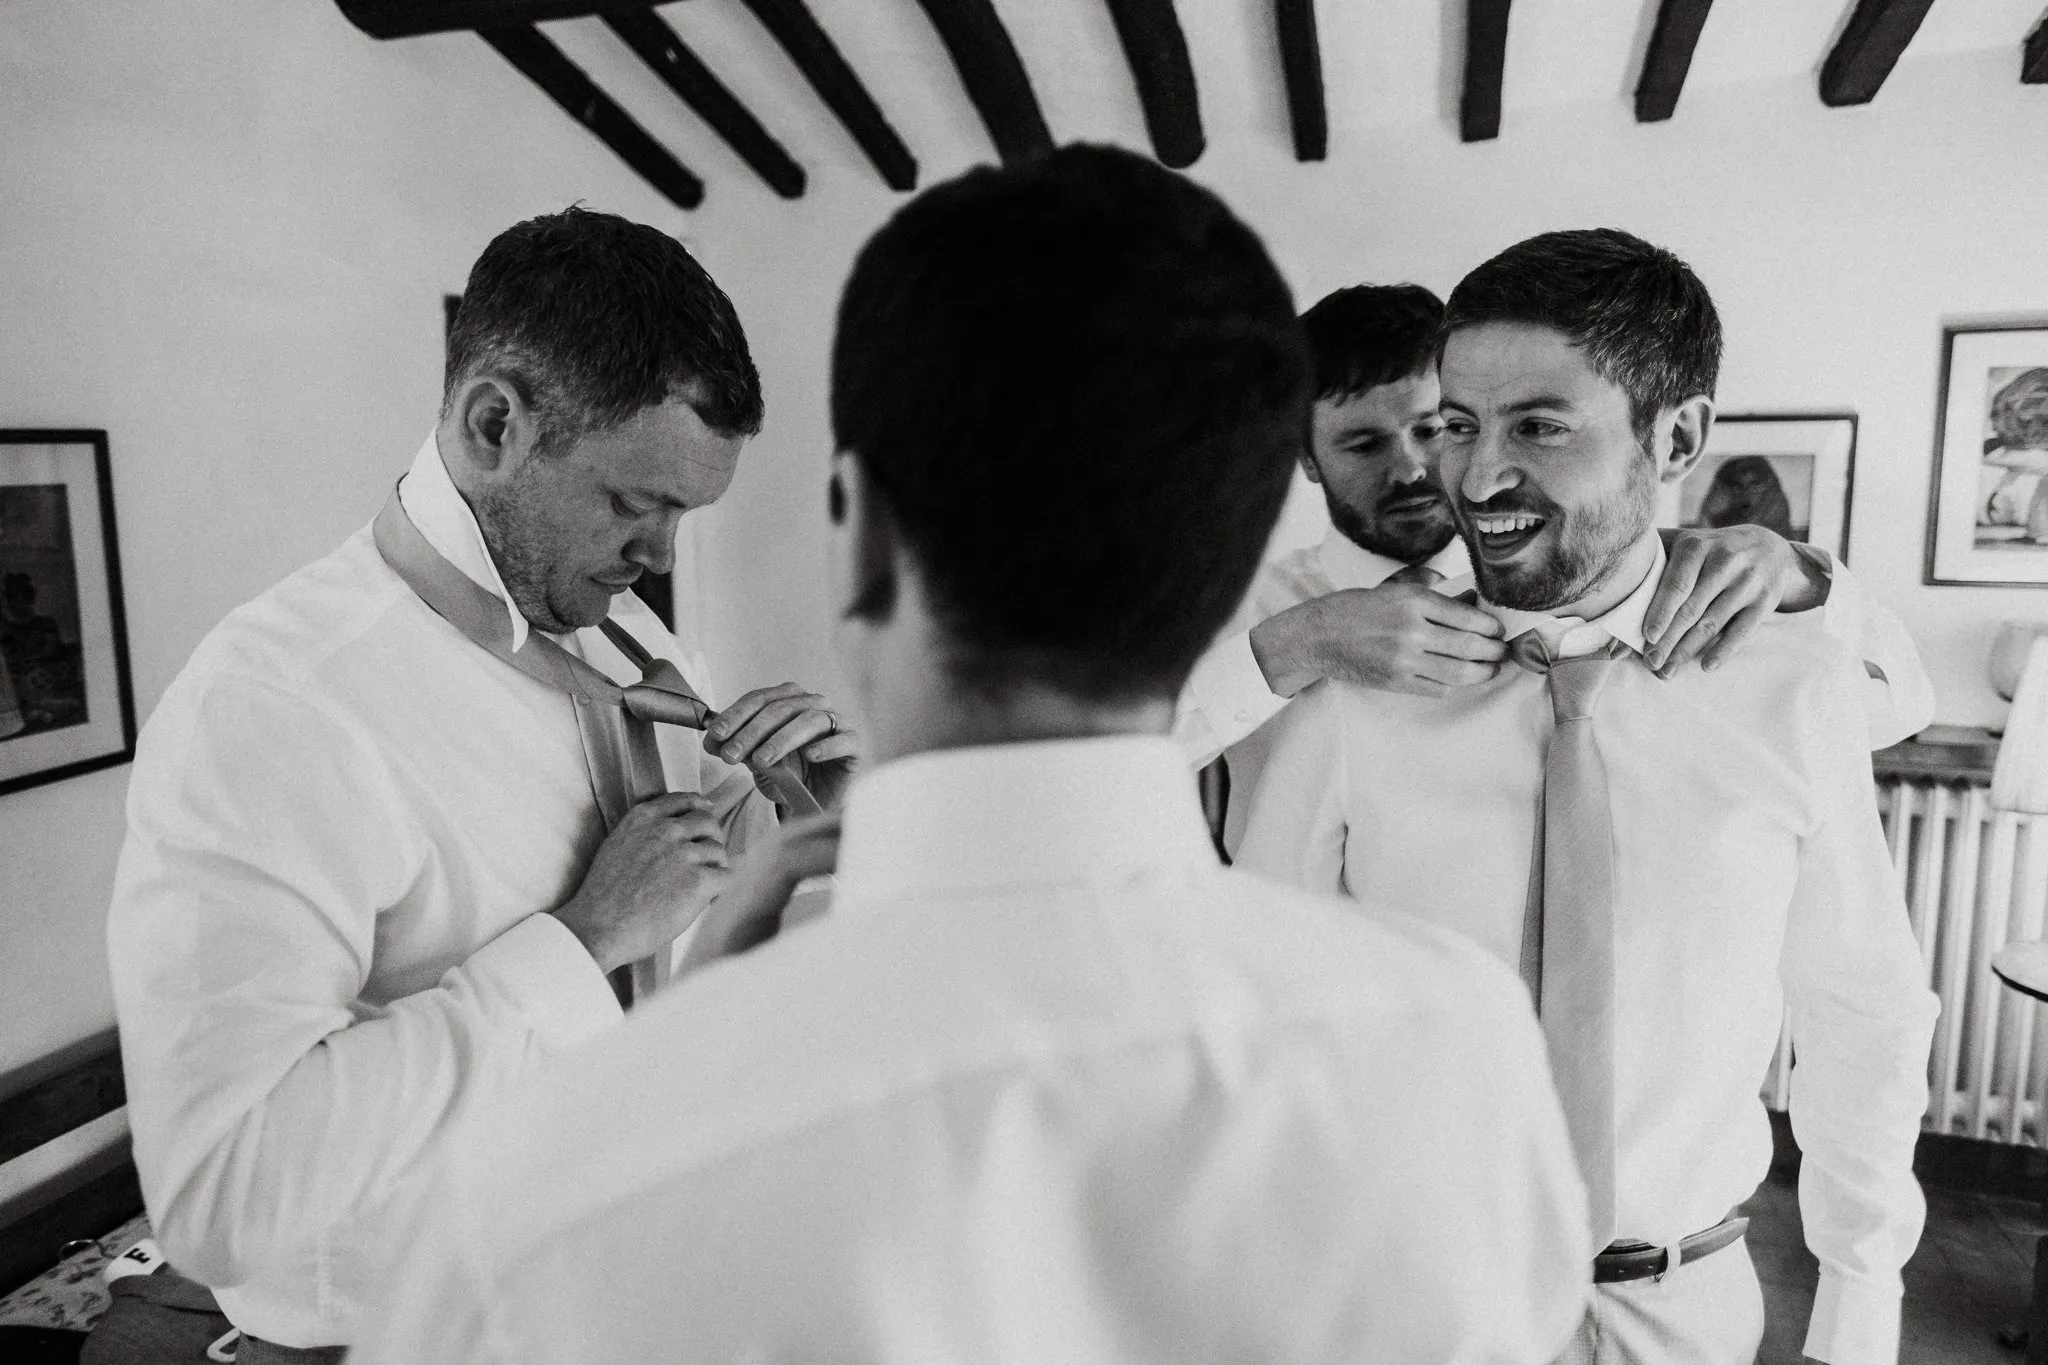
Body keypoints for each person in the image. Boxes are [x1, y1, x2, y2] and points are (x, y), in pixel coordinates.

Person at [353, 145, 1594, 1365]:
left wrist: (692, 1038)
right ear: (1226, 555)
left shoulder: (546, 1186)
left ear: (859, 545)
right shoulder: (1454, 1050)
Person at [105, 208, 856, 1359]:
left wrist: (786, 809)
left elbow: (659, 961)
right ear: (494, 421)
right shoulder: (275, 709)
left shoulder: (612, 642)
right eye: (632, 502)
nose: (660, 556)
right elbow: (222, 1198)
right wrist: (581, 936)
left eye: (682, 516)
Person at [1239, 229, 1938, 1365]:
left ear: (1678, 438)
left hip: (1689, 1304)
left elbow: (1860, 1007)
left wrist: (1857, 1311)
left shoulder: (1790, 689)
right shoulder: (1351, 691)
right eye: (1458, 424)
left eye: (1537, 427)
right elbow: (1269, 1019)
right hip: (1415, 1300)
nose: (1469, 478)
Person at [1175, 291, 1934, 796]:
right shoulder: (1237, 608)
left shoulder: (1614, 583)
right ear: (1305, 457)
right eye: (1362, 444)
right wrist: (1293, 649)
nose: (1410, 468)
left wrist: (1804, 577)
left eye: (1436, 428)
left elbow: (1898, 711)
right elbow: (1090, 780)